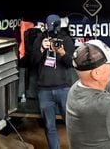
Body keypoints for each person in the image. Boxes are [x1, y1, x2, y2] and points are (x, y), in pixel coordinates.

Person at [30, 14, 75, 149]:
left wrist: (61, 52)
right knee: (50, 126)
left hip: (64, 89)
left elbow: (71, 63)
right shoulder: (41, 38)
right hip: (44, 90)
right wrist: (41, 49)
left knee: (72, 125)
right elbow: (32, 62)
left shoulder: (66, 39)